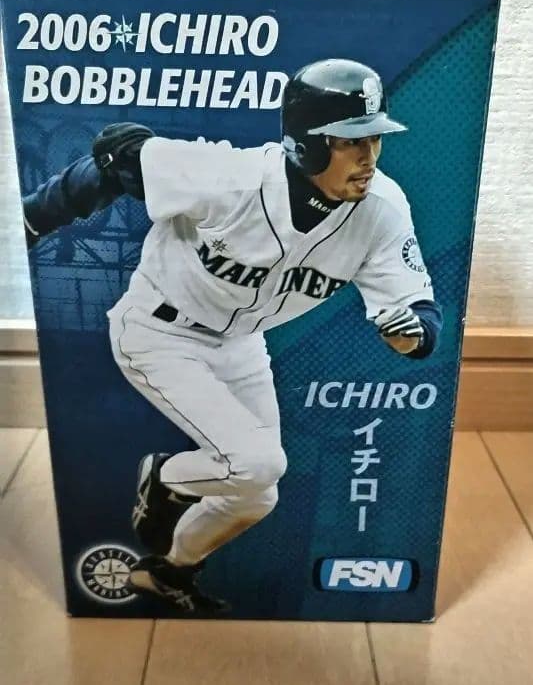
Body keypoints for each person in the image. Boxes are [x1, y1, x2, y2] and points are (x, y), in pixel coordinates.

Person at [22, 58, 442, 615]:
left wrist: (413, 336)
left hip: (242, 343)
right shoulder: (232, 178)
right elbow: (118, 153)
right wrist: (29, 221)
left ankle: (170, 569)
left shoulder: (382, 209)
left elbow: (419, 310)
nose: (369, 155)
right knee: (259, 463)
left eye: (374, 138)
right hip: (158, 332)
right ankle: (166, 477)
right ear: (306, 145)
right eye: (350, 141)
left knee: (257, 495)